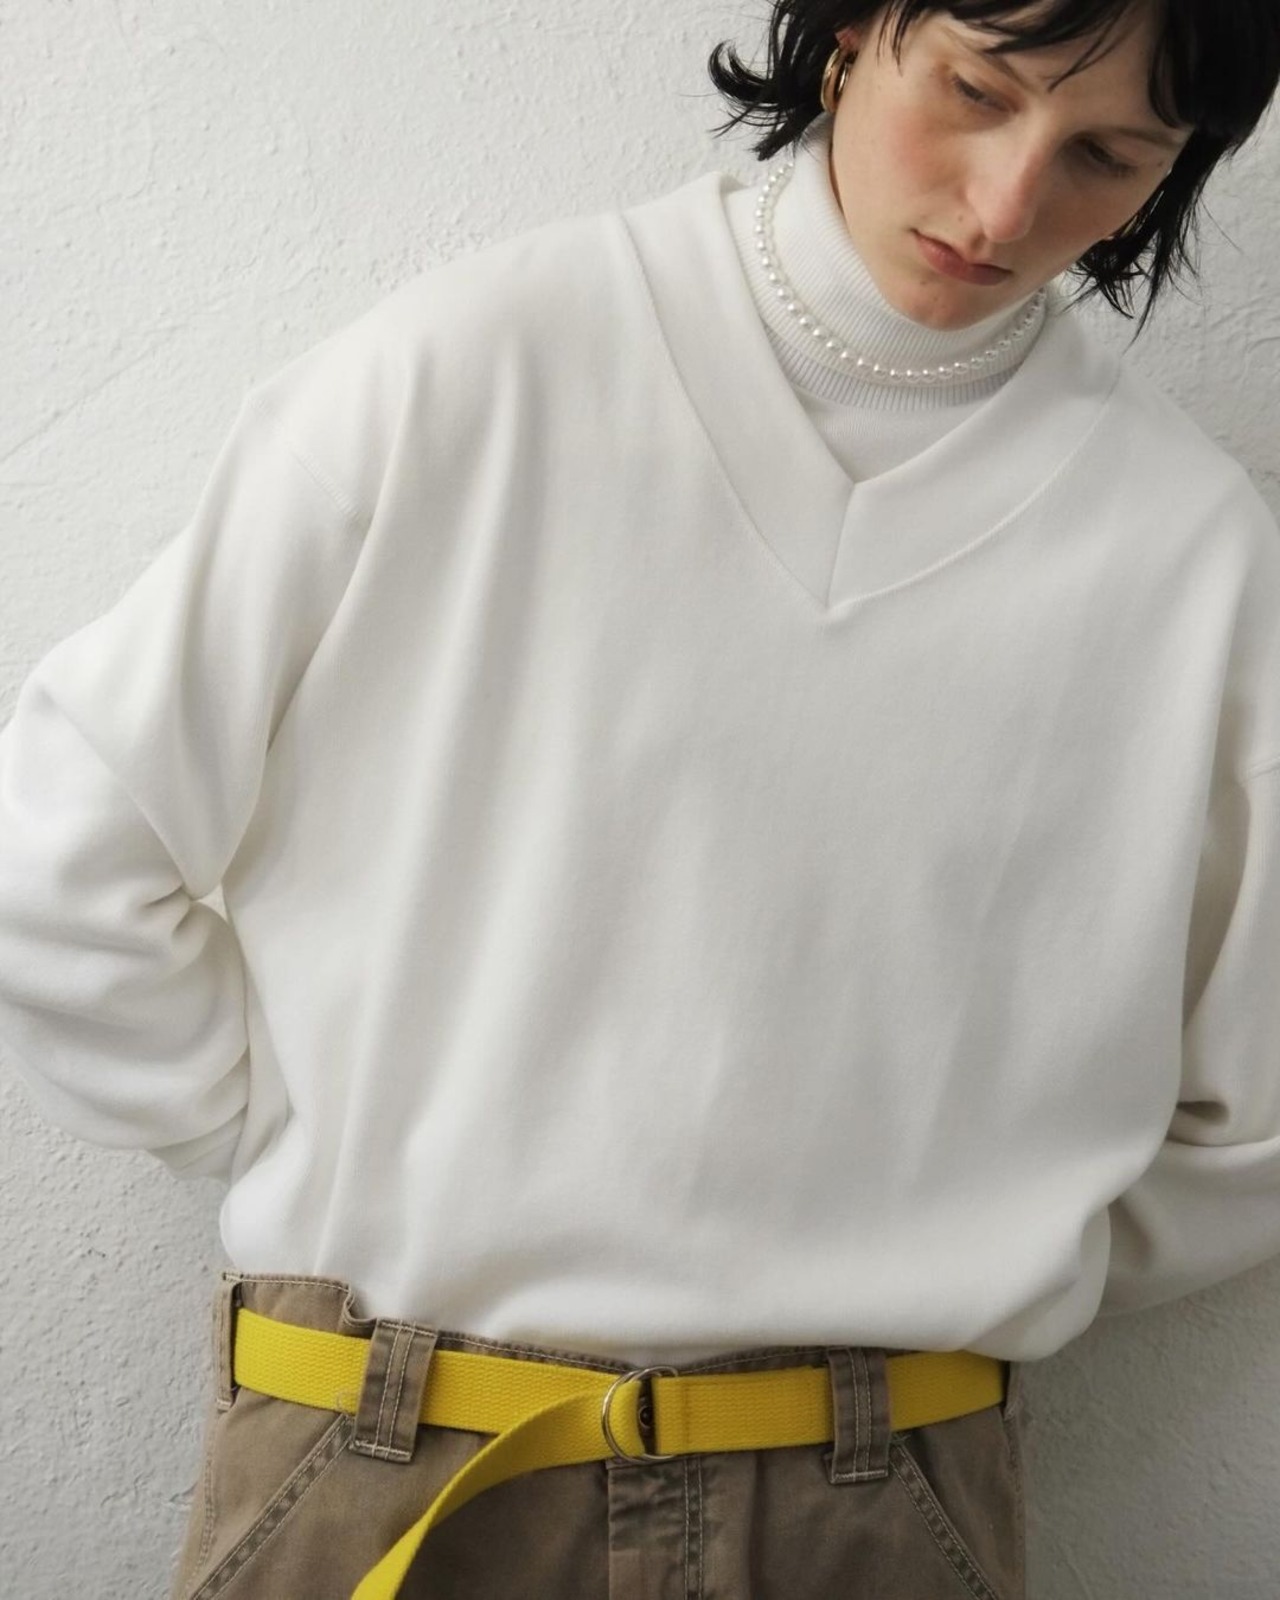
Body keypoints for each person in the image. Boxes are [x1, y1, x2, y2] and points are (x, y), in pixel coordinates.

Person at [2, 0, 1279, 1594]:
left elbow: (1255, 1115)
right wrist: (291, 1142)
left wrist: (981, 1252)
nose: (1008, 201)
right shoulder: (474, 367)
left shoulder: (1187, 550)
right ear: (852, 31)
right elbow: (67, 843)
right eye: (974, 89)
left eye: (1108, 157)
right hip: (385, 1449)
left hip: (880, 1494)